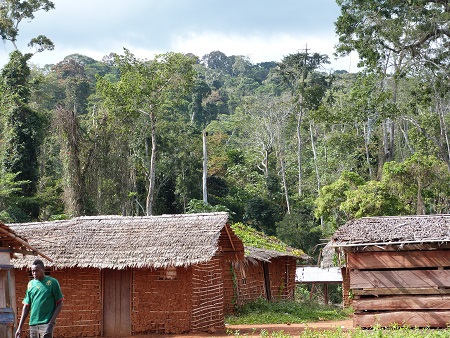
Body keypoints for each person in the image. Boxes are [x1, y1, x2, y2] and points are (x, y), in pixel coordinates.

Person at [15, 259, 64, 338]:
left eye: (37, 271)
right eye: (32, 271)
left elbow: (60, 303)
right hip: (33, 324)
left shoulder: (52, 283)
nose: (34, 273)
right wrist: (19, 327)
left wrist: (51, 323)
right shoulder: (31, 284)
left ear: (43, 269)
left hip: (46, 323)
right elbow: (26, 306)